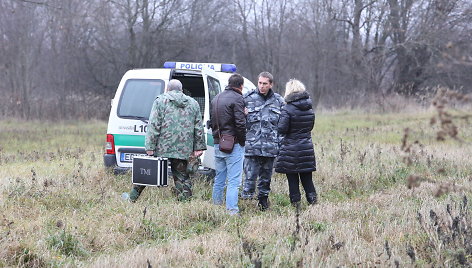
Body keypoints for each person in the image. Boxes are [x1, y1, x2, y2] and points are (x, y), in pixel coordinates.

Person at [123, 79, 206, 202]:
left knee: (146, 173)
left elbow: (154, 125)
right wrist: (199, 147)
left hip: (162, 147)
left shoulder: (160, 101)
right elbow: (198, 127)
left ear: (167, 89)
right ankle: (185, 204)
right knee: (182, 177)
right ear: (181, 90)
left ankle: (132, 198)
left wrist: (150, 147)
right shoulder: (193, 103)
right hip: (183, 148)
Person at [242, 71, 284, 210]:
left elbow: (283, 126)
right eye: (260, 83)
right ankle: (247, 204)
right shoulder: (247, 99)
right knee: (249, 178)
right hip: (252, 147)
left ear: (271, 84)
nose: (261, 86)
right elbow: (239, 123)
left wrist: (281, 145)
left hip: (270, 147)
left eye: (265, 84)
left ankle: (263, 203)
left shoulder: (279, 101)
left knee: (266, 179)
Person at [275, 79, 317, 207]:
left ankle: (296, 206)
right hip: (306, 148)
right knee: (307, 179)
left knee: (292, 179)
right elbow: (310, 127)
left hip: (291, 149)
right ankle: (313, 202)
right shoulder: (309, 109)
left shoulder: (287, 109)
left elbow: (282, 129)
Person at [211, 73, 246, 215]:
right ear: (241, 86)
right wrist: (242, 142)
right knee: (234, 181)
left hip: (217, 143)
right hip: (233, 144)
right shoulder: (238, 99)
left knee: (219, 178)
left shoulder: (216, 98)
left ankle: (216, 207)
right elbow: (240, 124)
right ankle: (232, 211)